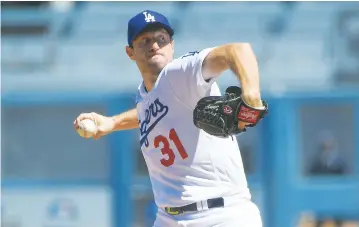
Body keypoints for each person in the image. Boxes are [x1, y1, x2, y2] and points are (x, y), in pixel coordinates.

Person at [74, 9, 265, 227]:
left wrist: (251, 94)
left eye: (161, 39)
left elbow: (238, 50)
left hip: (221, 215)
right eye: (145, 40)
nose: (154, 45)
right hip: (169, 218)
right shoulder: (145, 96)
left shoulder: (179, 73)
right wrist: (113, 123)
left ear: (172, 46)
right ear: (130, 52)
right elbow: (150, 112)